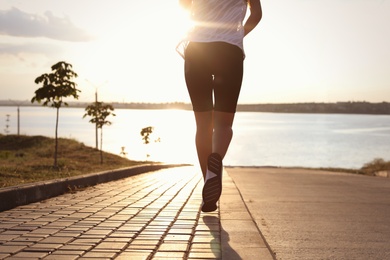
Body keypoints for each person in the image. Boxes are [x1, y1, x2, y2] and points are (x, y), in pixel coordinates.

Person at [178, 0, 262, 212]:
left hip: (197, 50)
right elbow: (257, 14)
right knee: (223, 124)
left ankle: (208, 181)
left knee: (202, 124)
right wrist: (238, 34)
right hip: (229, 52)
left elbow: (183, 4)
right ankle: (215, 162)